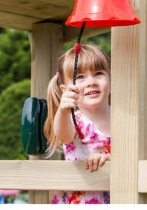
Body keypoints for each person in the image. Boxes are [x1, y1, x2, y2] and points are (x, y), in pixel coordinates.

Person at [44, 44, 111, 204]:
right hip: (79, 199)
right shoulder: (73, 119)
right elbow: (64, 136)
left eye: (98, 73)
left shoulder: (125, 119)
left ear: (111, 78)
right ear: (65, 89)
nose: (91, 82)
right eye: (80, 77)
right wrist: (63, 110)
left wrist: (110, 158)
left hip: (119, 195)